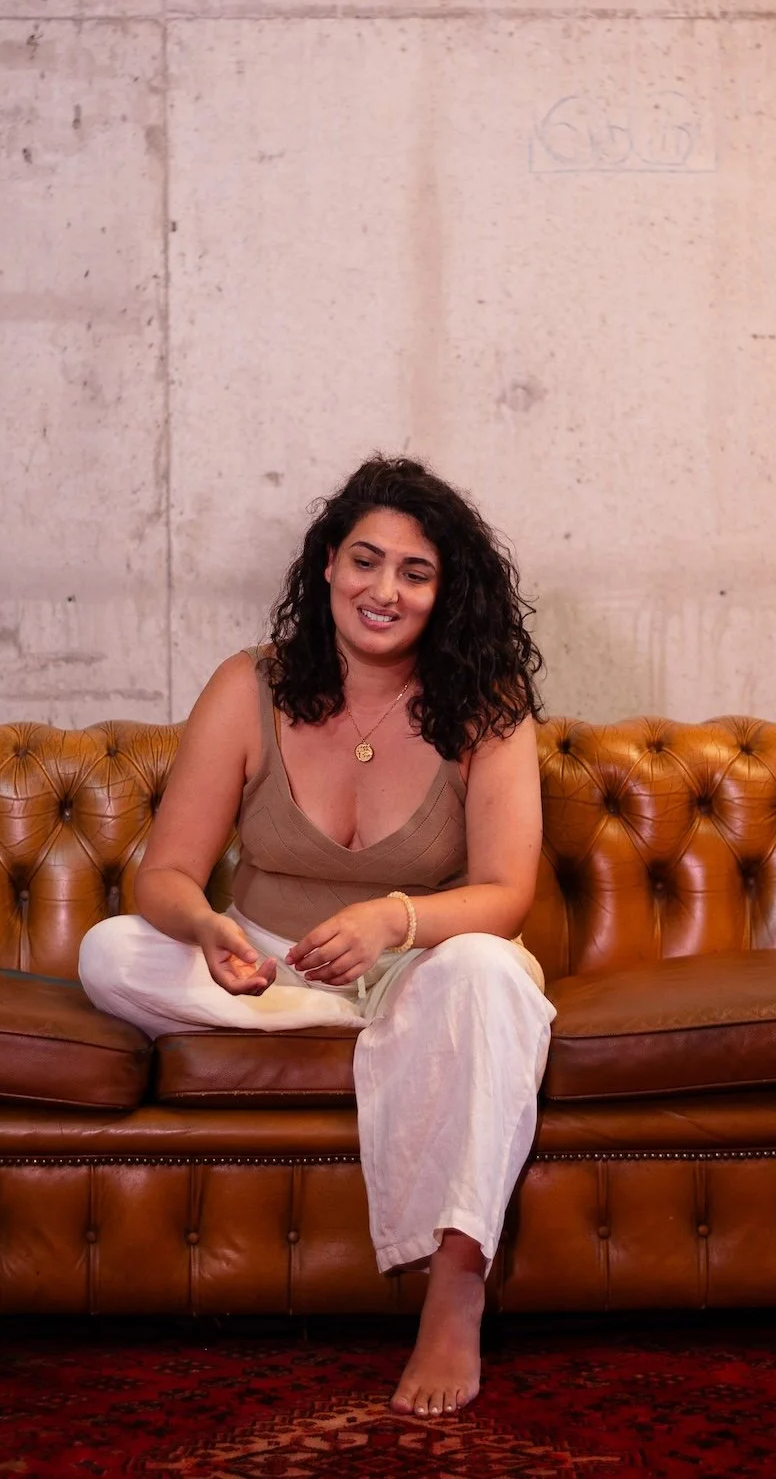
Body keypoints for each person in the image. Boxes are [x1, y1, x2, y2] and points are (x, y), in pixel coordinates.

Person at [78, 456, 552, 1419]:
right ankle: (378, 1044)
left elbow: (506, 894)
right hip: (270, 973)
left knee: (492, 974)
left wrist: (392, 919)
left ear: (446, 590)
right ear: (328, 563)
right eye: (366, 560)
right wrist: (208, 927)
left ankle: (455, 1288)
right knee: (110, 952)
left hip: (417, 968)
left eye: (415, 572)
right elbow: (163, 874)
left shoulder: (488, 704)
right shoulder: (248, 685)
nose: (385, 590)